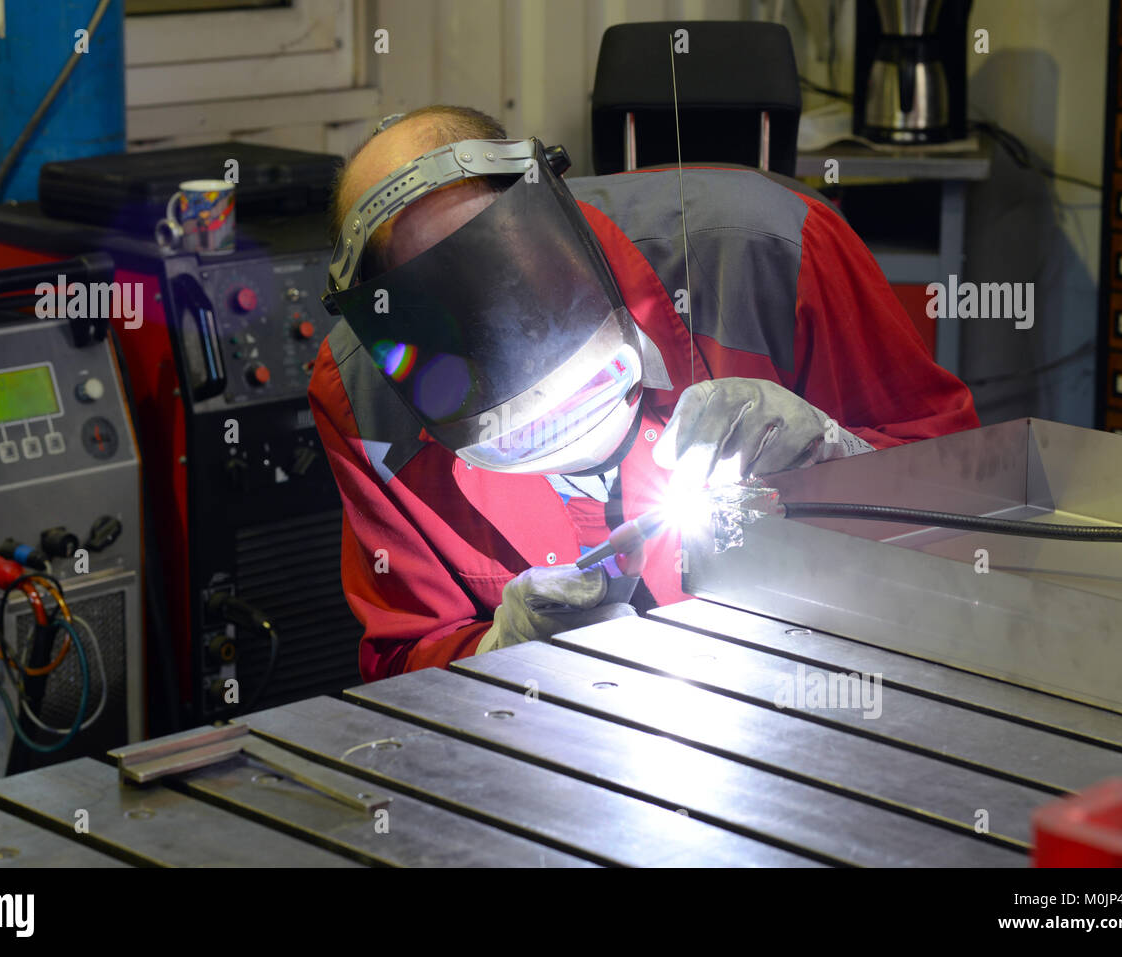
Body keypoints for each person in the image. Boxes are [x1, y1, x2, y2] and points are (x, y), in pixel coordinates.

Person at [309, 104, 979, 682]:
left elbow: (977, 515)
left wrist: (840, 466)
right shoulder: (361, 398)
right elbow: (404, 665)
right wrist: (498, 654)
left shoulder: (771, 253)